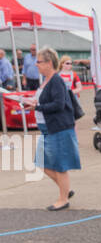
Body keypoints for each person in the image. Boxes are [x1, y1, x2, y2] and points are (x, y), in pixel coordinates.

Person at [18, 47, 80, 210]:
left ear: (49, 63)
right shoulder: (46, 80)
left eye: (39, 62)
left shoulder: (56, 80)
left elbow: (58, 105)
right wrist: (32, 103)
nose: (36, 65)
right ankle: (65, 189)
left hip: (58, 127)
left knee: (59, 165)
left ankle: (63, 199)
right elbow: (45, 101)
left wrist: (37, 106)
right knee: (41, 162)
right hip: (48, 128)